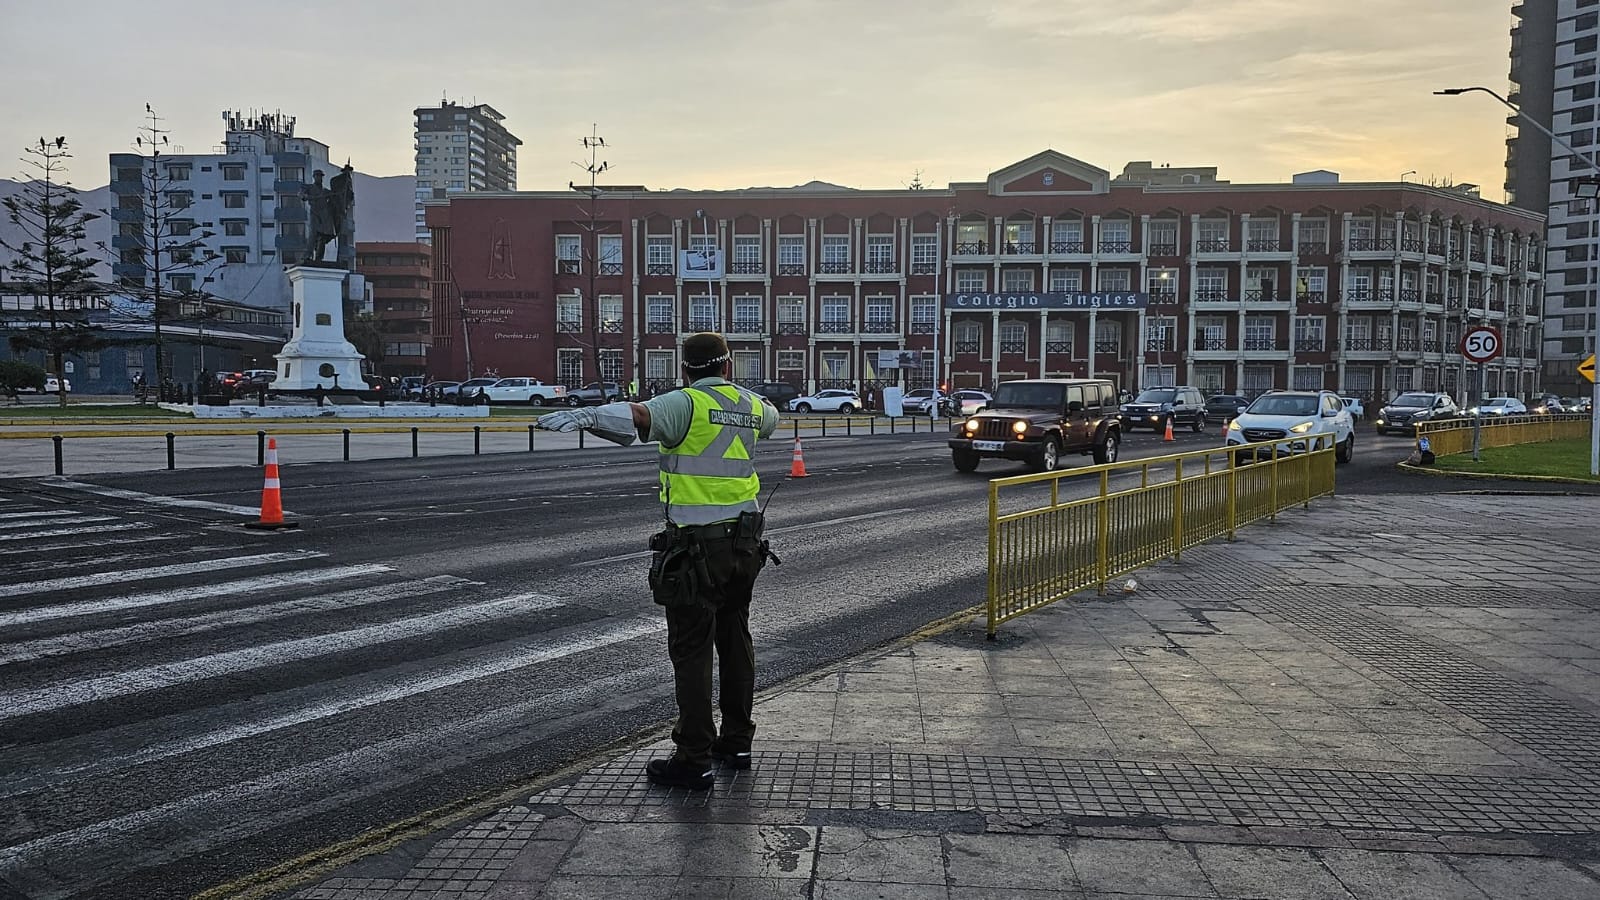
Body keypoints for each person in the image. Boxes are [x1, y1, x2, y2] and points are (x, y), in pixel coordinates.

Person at [535, 333, 780, 789]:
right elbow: (773, 419)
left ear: (685, 370)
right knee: (735, 639)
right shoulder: (750, 405)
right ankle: (737, 742)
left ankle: (693, 757)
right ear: (728, 369)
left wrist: (588, 414)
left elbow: (637, 415)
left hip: (696, 549)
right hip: (745, 547)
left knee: (691, 650)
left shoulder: (683, 403)